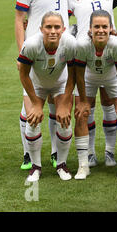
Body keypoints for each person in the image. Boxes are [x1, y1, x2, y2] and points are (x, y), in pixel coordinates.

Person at [15, 0, 70, 170]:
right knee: (30, 103)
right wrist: (21, 51)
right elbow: (19, 19)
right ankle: (28, 154)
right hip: (35, 51)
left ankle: (57, 153)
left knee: (56, 105)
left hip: (60, 52)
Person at [68, 0, 117, 168]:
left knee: (109, 103)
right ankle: (89, 152)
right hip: (83, 55)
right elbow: (59, 14)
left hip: (108, 53)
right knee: (86, 105)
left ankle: (109, 151)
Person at [74, 10, 117, 179]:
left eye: (104, 27)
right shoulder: (82, 45)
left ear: (110, 28)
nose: (100, 30)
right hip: (88, 79)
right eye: (96, 26)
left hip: (112, 79)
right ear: (90, 29)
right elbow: (78, 74)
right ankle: (83, 165)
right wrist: (83, 101)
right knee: (81, 114)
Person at [18, 11, 76, 182]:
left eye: (57, 27)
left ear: (63, 29)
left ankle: (61, 164)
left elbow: (73, 75)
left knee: (64, 121)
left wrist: (65, 102)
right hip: (36, 85)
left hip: (60, 84)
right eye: (48, 27)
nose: (52, 31)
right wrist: (36, 103)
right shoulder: (31, 45)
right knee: (32, 121)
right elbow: (23, 75)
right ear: (41, 29)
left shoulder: (70, 44)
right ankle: (35, 167)